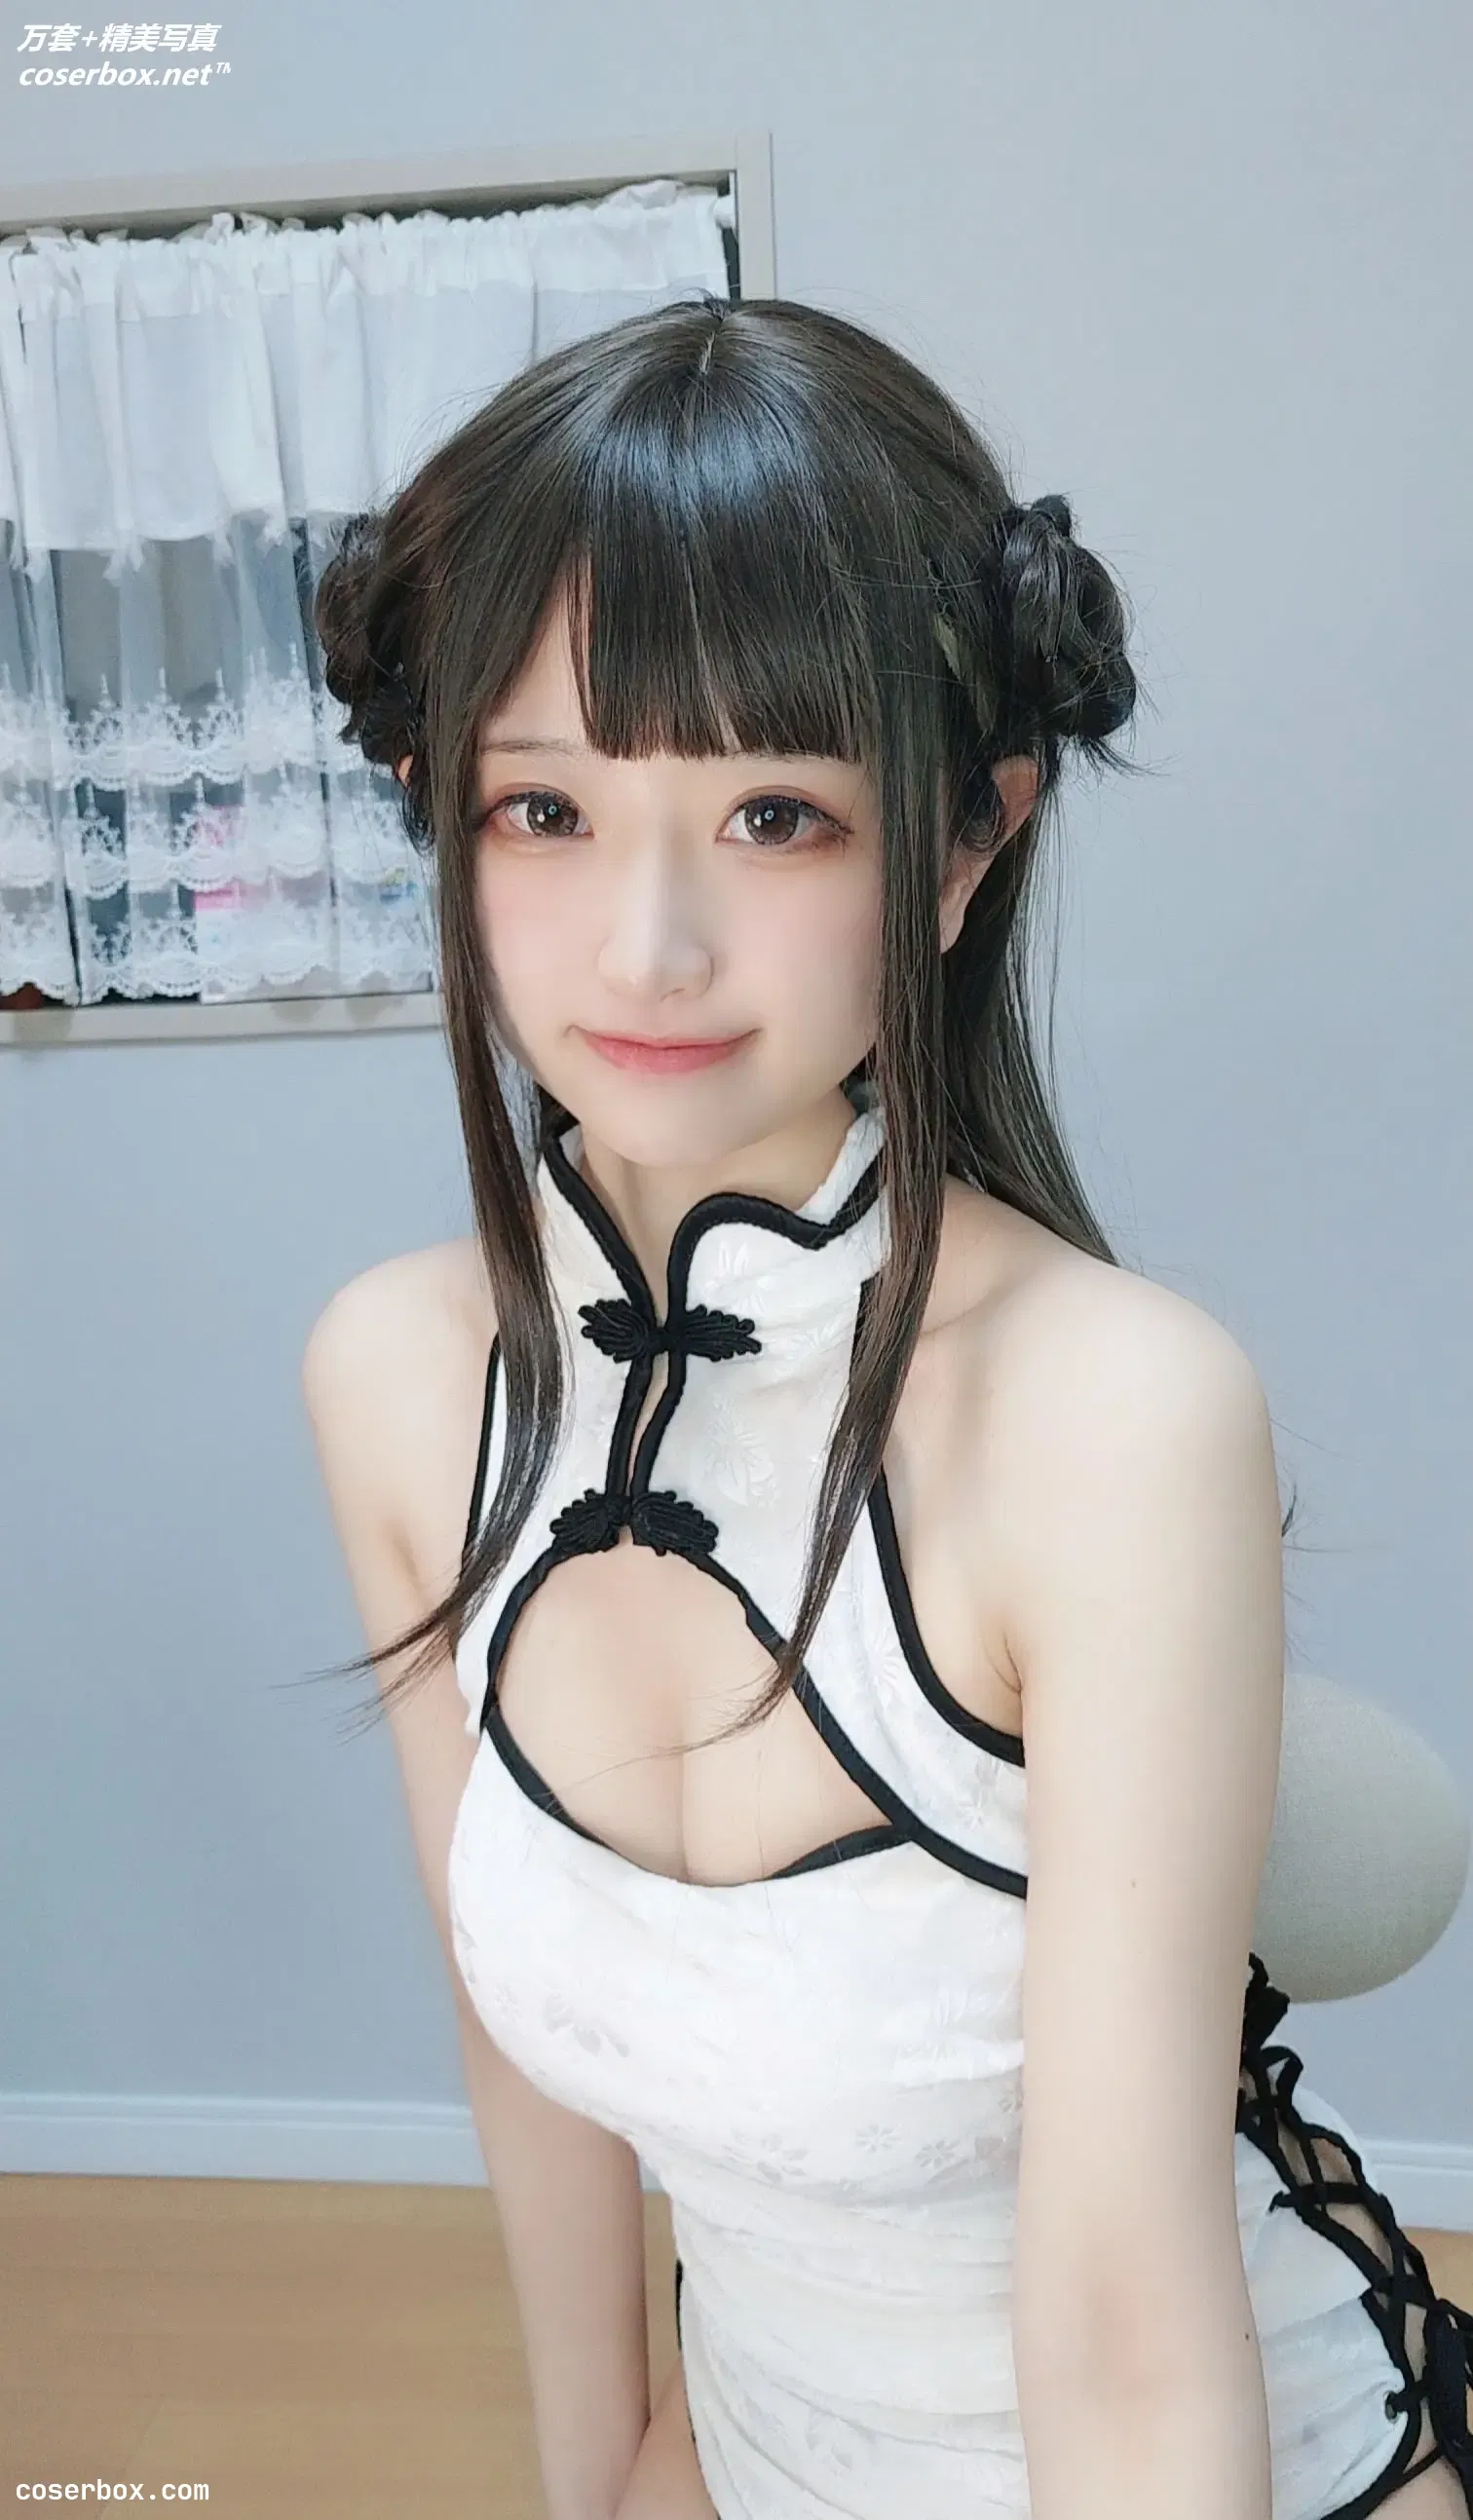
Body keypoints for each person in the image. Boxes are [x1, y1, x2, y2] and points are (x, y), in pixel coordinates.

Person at [301, 294, 1472, 2520]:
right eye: (545, 806)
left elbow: (1128, 2336)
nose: (646, 945)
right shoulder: (395, 1375)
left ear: (959, 843)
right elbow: (528, 2065)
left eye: (774, 813)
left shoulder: (1111, 1415)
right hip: (751, 2443)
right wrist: (606, 2479)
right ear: (438, 813)